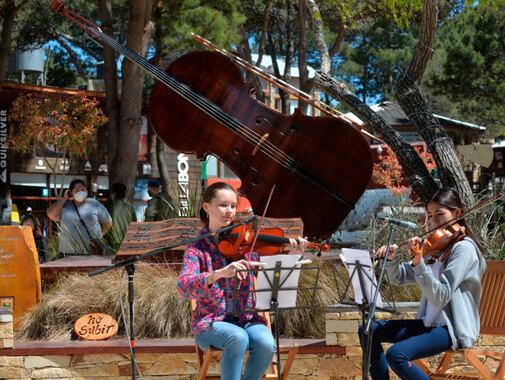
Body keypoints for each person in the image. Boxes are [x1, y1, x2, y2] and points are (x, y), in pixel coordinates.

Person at [177, 182, 307, 380]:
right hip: (211, 323)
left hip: (248, 319)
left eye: (232, 206)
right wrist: (217, 273)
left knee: (265, 343)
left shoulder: (246, 244)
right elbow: (184, 287)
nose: (229, 211)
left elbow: (272, 270)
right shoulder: (197, 249)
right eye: (223, 205)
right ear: (206, 207)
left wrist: (291, 252)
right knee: (237, 338)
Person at [360, 187, 487, 380]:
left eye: (439, 214)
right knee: (369, 330)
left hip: (451, 328)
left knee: (397, 354)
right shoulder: (436, 249)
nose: (433, 222)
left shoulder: (464, 249)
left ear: (457, 213)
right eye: (429, 216)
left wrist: (419, 262)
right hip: (429, 324)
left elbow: (442, 295)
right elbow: (399, 278)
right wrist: (392, 260)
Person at [47, 179, 112, 257]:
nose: (80, 192)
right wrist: (64, 198)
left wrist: (99, 235)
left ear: (86, 191)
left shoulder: (94, 203)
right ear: (71, 193)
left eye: (82, 190)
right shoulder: (65, 207)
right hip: (69, 253)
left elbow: (108, 221)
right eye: (76, 190)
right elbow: (51, 214)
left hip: (91, 251)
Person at [107, 183, 137, 248]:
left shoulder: (110, 206)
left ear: (114, 193)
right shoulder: (129, 206)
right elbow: (135, 222)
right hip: (127, 237)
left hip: (113, 238)